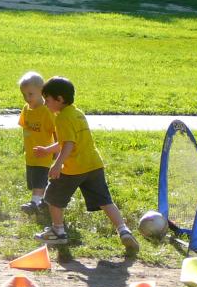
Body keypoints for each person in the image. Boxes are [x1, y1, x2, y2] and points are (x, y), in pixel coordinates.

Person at [33, 77, 140, 256]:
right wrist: (47, 150)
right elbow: (67, 140)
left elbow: (68, 145)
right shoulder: (77, 113)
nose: (45, 103)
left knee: (52, 197)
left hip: (74, 168)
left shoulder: (62, 118)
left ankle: (58, 231)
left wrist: (57, 164)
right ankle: (123, 230)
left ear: (59, 99)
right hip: (94, 165)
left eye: (47, 99)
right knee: (105, 201)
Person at [17, 71, 56, 215]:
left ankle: (34, 203)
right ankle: (44, 202)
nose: (27, 98)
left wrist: (56, 149)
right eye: (24, 94)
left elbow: (56, 131)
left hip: (44, 153)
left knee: (39, 180)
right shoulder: (26, 109)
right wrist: (25, 146)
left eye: (30, 94)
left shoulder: (47, 111)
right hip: (30, 154)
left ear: (42, 91)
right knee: (34, 181)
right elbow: (25, 128)